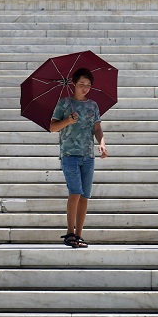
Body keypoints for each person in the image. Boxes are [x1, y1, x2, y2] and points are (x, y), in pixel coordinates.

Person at [50, 68, 108, 249]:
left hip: (87, 155)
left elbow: (97, 128)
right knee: (75, 192)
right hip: (69, 154)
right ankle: (70, 233)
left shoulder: (93, 106)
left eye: (88, 85)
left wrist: (102, 143)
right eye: (82, 84)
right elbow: (52, 127)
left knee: (84, 196)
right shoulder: (64, 104)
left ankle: (79, 234)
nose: (85, 88)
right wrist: (67, 121)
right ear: (74, 84)